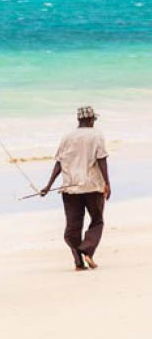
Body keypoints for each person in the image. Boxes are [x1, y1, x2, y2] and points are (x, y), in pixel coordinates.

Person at [41, 106, 111, 271]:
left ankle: (78, 262)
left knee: (73, 227)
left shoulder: (67, 137)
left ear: (79, 120)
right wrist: (107, 183)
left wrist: (48, 185)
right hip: (92, 186)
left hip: (70, 188)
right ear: (90, 119)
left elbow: (59, 162)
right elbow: (101, 160)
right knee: (97, 220)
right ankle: (87, 251)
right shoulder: (97, 135)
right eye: (93, 119)